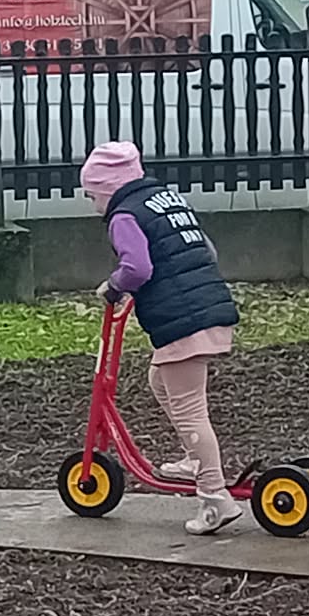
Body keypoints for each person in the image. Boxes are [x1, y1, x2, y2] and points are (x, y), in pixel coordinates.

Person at [81, 142, 245, 536]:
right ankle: (194, 459)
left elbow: (137, 267)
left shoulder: (124, 215)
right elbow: (207, 249)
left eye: (91, 195)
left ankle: (215, 497)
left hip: (182, 321)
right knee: (159, 379)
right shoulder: (165, 200)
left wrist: (114, 287)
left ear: (106, 189)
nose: (93, 206)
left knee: (190, 410)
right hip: (208, 307)